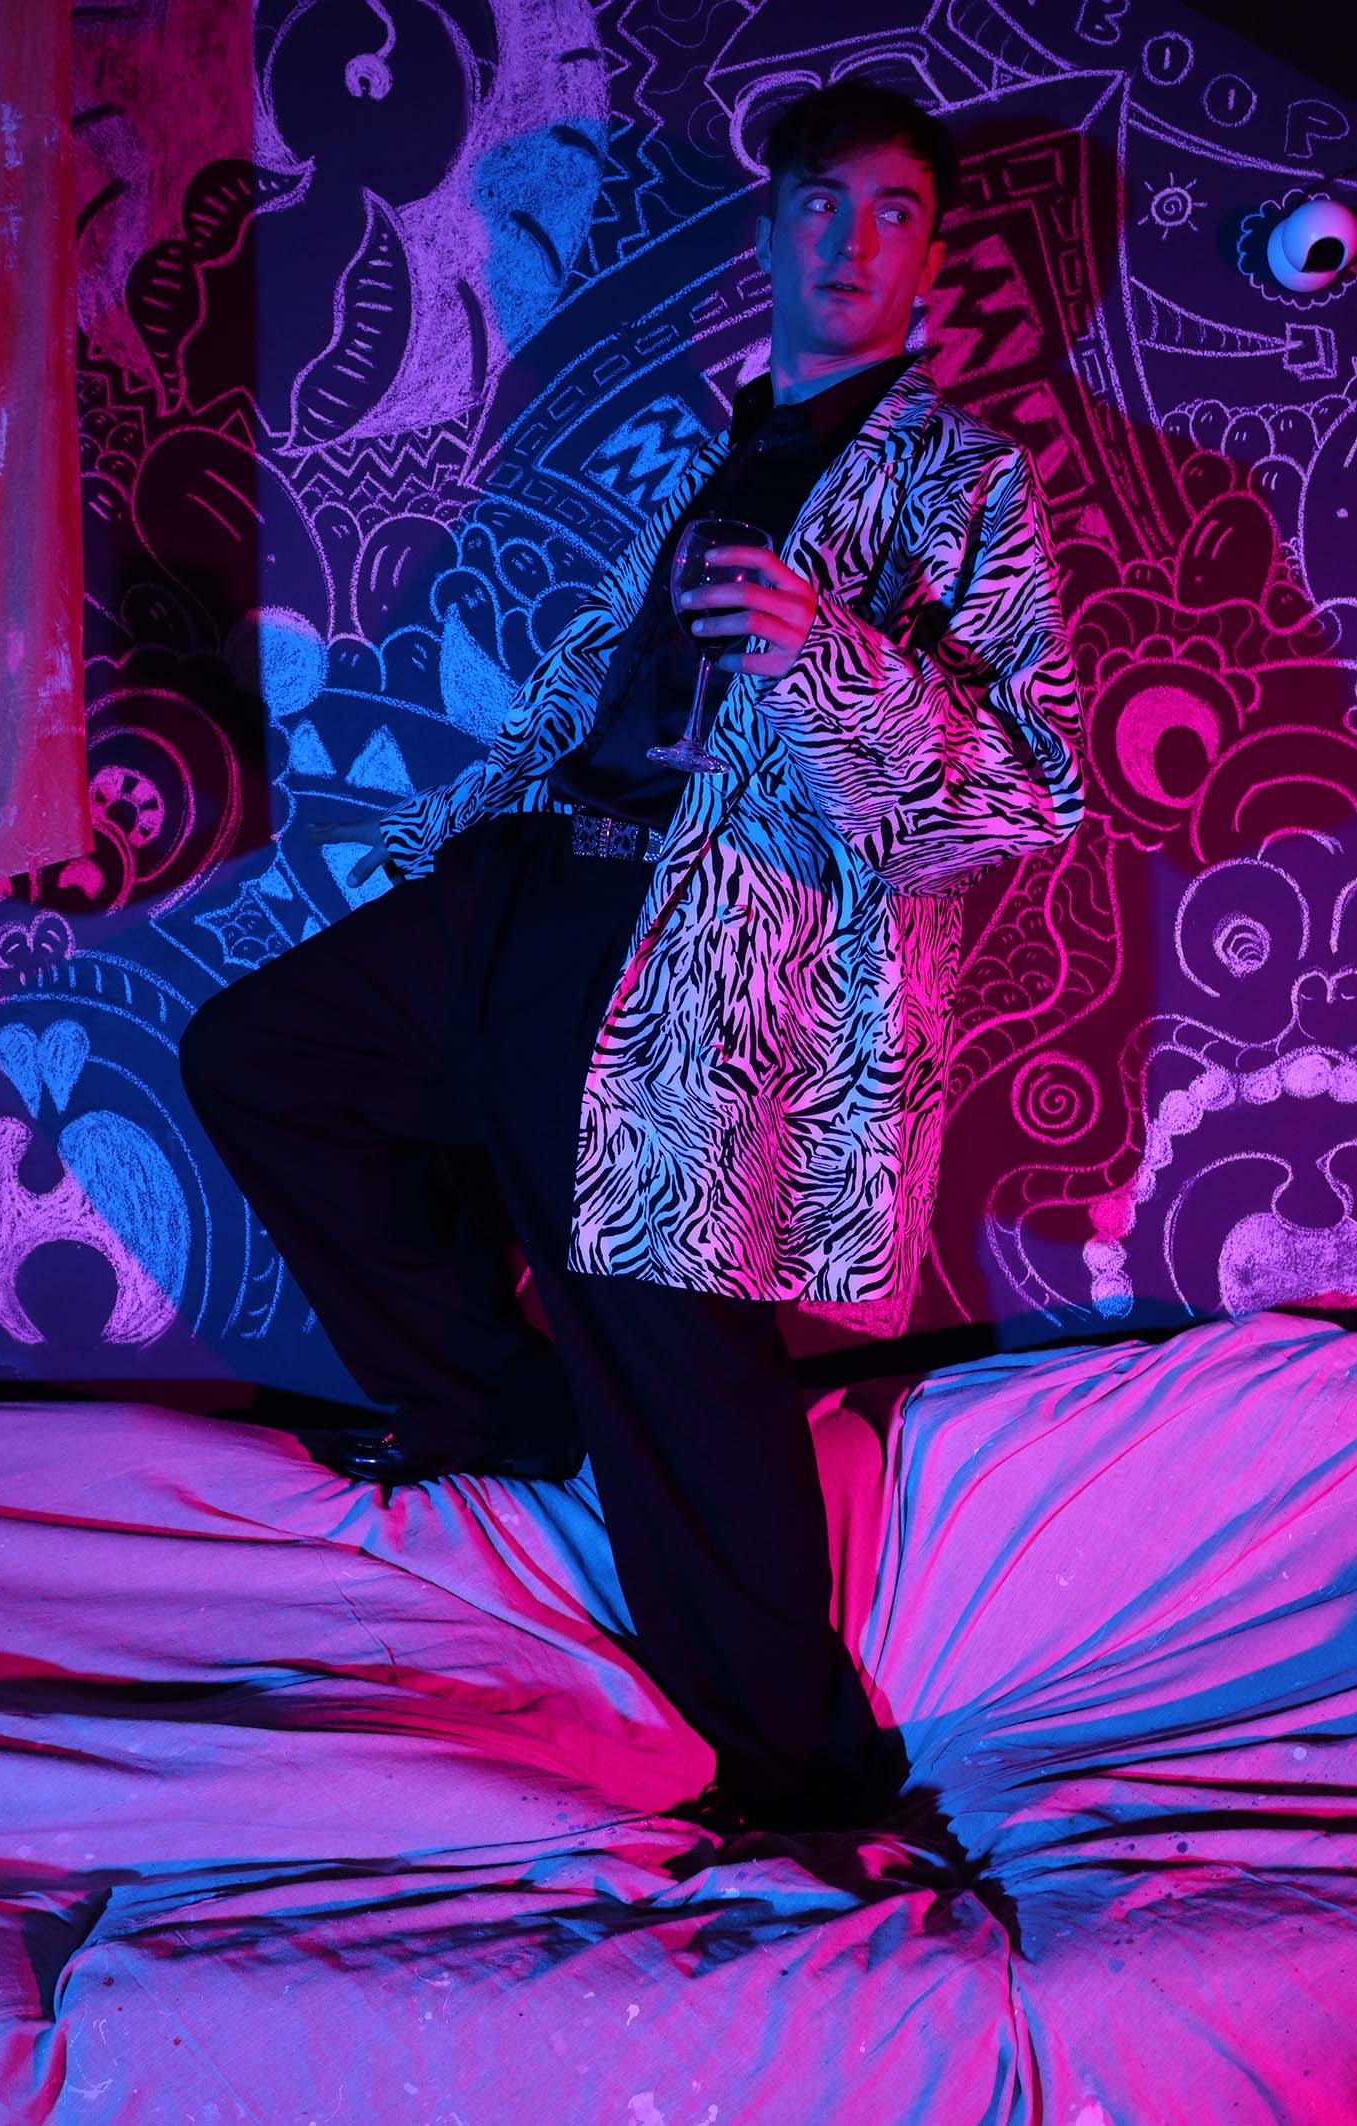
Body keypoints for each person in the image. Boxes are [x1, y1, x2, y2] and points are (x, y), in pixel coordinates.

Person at [179, 80, 1084, 1839]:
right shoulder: (710, 457)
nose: (850, 240)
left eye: (893, 212)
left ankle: (809, 1782)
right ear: (771, 227)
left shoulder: (964, 481)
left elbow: (1019, 795)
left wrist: (826, 653)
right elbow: (602, 693)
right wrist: (482, 832)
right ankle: (498, 1405)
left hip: (708, 948)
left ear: (929, 257)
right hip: (538, 884)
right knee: (263, 1058)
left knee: (678, 1361)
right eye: (819, 202)